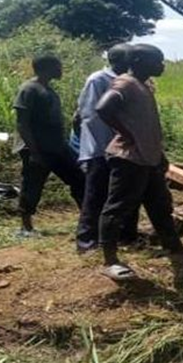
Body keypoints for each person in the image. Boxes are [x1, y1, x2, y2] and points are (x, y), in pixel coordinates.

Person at [95, 44, 183, 281]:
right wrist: (127, 134)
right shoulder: (125, 83)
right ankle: (110, 261)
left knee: (161, 206)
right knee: (117, 208)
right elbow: (103, 108)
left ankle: (176, 249)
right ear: (138, 61)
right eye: (157, 60)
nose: (162, 65)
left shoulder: (144, 84)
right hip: (129, 158)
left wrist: (159, 155)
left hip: (148, 157)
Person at [13, 54, 85, 238]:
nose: (61, 70)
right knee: (32, 185)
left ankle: (87, 220)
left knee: (79, 178)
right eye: (57, 66)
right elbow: (22, 123)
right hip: (37, 148)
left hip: (57, 146)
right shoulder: (29, 89)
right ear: (47, 68)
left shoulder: (47, 89)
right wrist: (34, 151)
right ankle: (26, 227)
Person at [75, 44, 137, 252]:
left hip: (125, 148)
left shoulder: (131, 80)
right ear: (119, 61)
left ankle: (123, 236)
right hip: (102, 147)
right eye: (131, 59)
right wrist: (111, 142)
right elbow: (90, 115)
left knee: (124, 193)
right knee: (96, 194)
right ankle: (86, 240)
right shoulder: (98, 80)